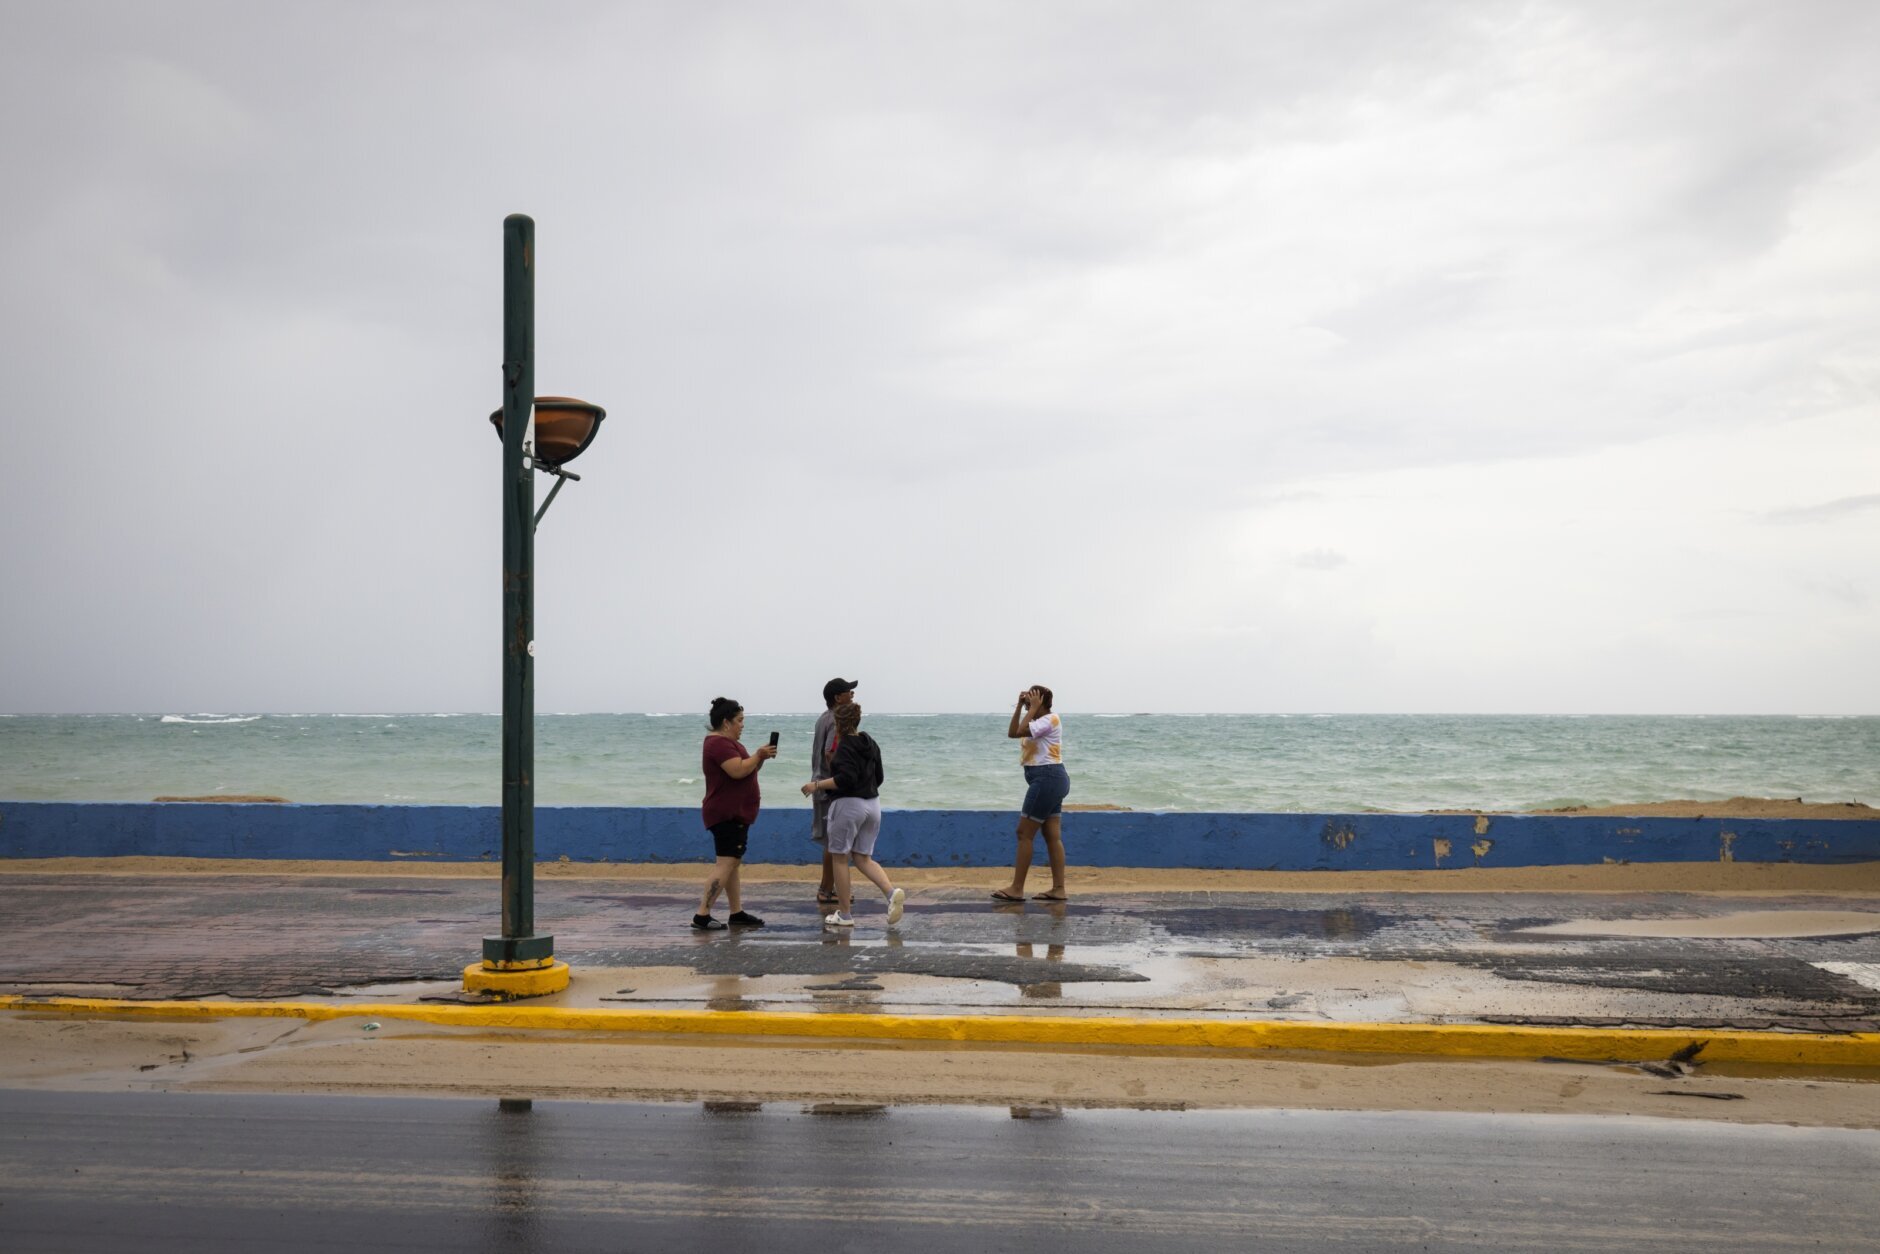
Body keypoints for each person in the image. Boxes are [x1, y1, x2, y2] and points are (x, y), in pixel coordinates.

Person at [802, 702, 904, 928]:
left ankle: (845, 915)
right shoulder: (870, 743)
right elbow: (879, 777)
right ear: (858, 721)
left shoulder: (845, 747)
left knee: (839, 857)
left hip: (848, 805)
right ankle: (891, 893)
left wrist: (816, 785)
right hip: (873, 804)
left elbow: (844, 779)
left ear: (837, 724)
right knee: (863, 858)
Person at [694, 696, 776, 931]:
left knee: (731, 863)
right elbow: (737, 770)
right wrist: (758, 755)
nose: (742, 725)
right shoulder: (718, 744)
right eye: (739, 720)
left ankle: (736, 912)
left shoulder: (727, 743)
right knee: (726, 863)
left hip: (733, 813)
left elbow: (747, 768)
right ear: (726, 722)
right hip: (726, 814)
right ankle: (702, 915)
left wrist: (760, 758)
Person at [992, 684, 1069, 902]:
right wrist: (1019, 707)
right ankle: (1059, 889)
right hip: (1049, 779)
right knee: (1051, 835)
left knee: (1023, 833)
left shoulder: (1050, 719)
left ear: (1041, 701)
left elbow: (1020, 731)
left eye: (1031, 700)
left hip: (1047, 778)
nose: (1028, 704)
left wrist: (1034, 707)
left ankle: (1017, 888)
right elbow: (1012, 733)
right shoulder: (1035, 722)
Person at [810, 677, 858, 905]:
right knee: (834, 842)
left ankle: (829, 888)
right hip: (828, 787)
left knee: (832, 842)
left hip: (821, 783)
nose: (852, 695)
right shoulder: (835, 720)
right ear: (838, 698)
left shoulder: (823, 718)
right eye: (849, 692)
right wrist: (842, 777)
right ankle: (826, 890)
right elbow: (830, 752)